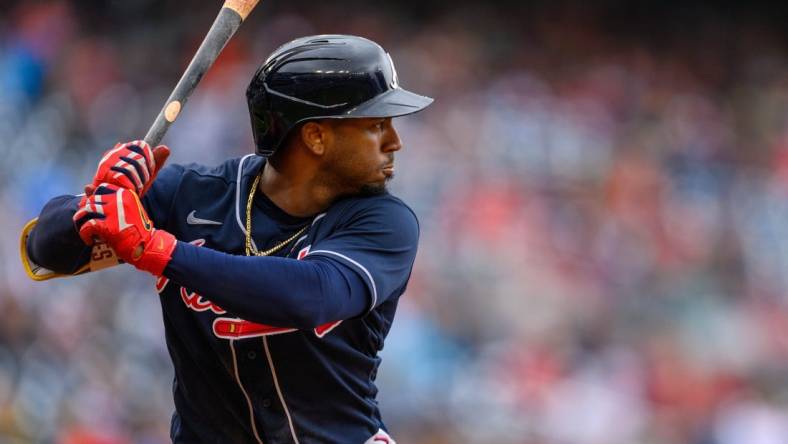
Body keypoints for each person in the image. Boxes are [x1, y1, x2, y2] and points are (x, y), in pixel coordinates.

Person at [20, 34, 433, 443]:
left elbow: (311, 296)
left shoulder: (385, 222)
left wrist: (158, 250)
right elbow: (45, 250)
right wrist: (96, 203)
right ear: (316, 137)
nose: (394, 142)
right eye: (377, 125)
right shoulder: (194, 195)